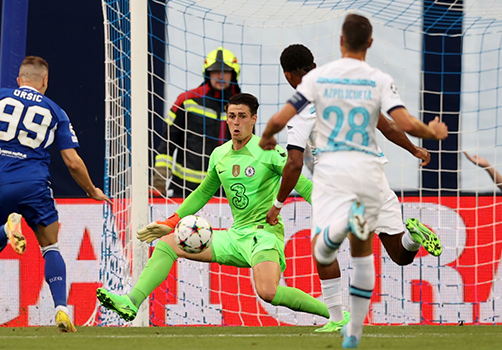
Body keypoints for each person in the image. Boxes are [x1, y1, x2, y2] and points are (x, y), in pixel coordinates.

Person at [260, 14, 444, 348]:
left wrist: (276, 204)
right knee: (400, 254)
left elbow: (294, 163)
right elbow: (387, 126)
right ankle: (413, 238)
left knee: (322, 250)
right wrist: (415, 148)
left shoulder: (304, 101)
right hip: (374, 175)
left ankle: (337, 319)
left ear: (288, 75)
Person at [97, 93, 330, 322]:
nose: (236, 122)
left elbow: (304, 185)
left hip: (264, 235)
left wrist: (329, 213)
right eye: (231, 116)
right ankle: (131, 301)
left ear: (254, 119)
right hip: (236, 235)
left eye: (242, 116)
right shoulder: (220, 155)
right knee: (167, 244)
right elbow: (203, 192)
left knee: (268, 292)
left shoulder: (270, 152)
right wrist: (171, 221)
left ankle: (335, 314)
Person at [0, 56, 112, 332]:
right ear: (45, 82)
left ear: (19, 79)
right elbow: (72, 161)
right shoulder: (55, 111)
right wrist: (91, 190)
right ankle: (61, 307)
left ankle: (5, 230)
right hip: (36, 187)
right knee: (50, 247)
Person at [153, 47, 242, 198]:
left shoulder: (242, 106)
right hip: (185, 189)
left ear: (233, 75)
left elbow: (247, 151)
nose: (220, 76)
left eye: (225, 72)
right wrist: (158, 183)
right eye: (215, 72)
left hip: (226, 191)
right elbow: (168, 144)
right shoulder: (187, 100)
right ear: (207, 74)